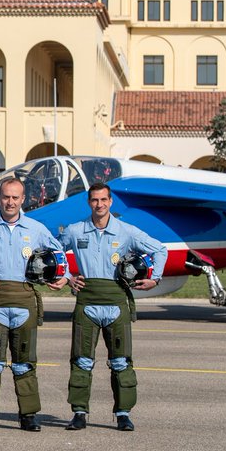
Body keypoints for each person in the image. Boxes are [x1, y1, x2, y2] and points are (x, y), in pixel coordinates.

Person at [59, 182, 166, 432]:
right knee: (82, 361)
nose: (99, 205)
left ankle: (123, 414)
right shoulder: (76, 231)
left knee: (120, 362)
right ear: (89, 203)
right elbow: (54, 250)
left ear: (111, 202)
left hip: (116, 302)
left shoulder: (126, 232)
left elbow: (159, 249)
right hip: (87, 302)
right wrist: (66, 278)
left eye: (104, 200)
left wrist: (155, 279)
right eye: (95, 200)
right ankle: (79, 413)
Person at [0, 176, 68, 432]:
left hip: (24, 298)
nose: (10, 202)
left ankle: (28, 415)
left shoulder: (36, 229)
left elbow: (59, 254)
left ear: (23, 200)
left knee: (25, 361)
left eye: (15, 197)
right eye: (6, 197)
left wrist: (62, 277)